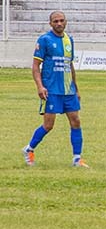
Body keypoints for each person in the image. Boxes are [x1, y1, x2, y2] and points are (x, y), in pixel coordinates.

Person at [22, 11, 87, 168]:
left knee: (76, 121)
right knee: (48, 125)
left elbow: (69, 65)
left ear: (66, 22)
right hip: (51, 90)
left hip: (68, 90)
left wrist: (76, 89)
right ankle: (29, 149)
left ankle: (77, 159)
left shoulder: (69, 40)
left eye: (61, 20)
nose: (59, 23)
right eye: (55, 21)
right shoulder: (44, 40)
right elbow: (36, 66)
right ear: (50, 23)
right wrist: (40, 86)